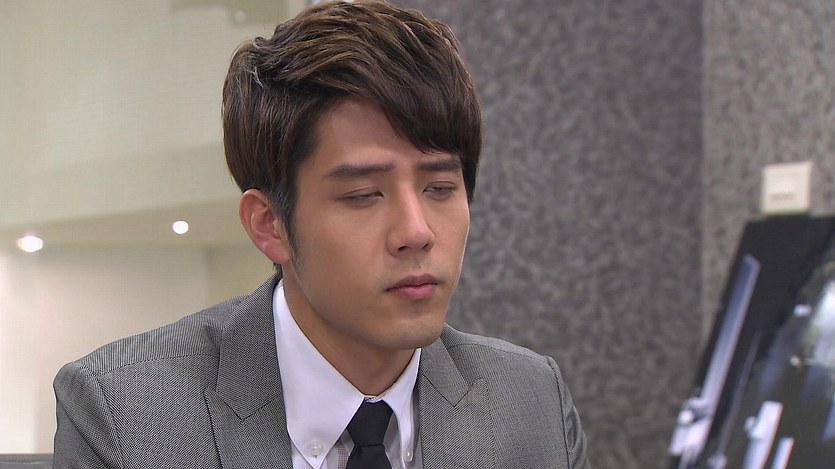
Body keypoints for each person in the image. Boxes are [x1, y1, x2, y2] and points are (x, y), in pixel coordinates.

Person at [52, 1, 590, 468]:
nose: (416, 232)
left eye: (440, 188)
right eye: (363, 195)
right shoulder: (126, 414)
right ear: (270, 225)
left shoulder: (530, 402)